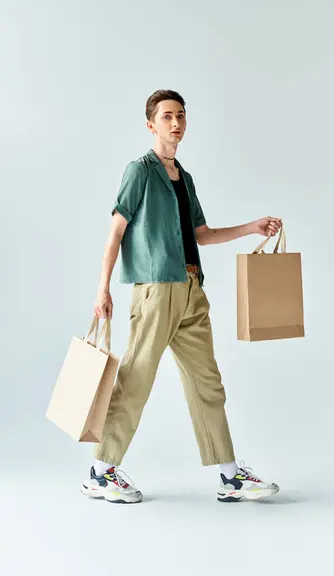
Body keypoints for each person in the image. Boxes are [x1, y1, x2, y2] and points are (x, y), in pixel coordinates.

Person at [80, 89, 282, 504]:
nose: (176, 123)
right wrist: (102, 287)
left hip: (192, 290)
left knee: (207, 382)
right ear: (151, 124)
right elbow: (116, 231)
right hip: (156, 291)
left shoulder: (184, 178)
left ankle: (230, 476)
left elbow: (201, 236)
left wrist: (251, 227)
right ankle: (100, 473)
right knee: (135, 380)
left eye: (182, 116)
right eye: (168, 116)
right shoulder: (139, 171)